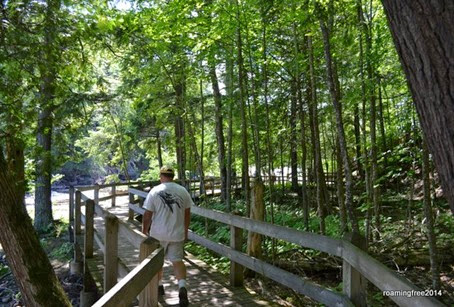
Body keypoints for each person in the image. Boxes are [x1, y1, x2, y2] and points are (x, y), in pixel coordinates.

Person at [142, 166, 192, 307]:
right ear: (173, 176)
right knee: (177, 261)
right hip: (177, 233)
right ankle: (182, 287)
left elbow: (147, 214)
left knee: (158, 262)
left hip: (158, 234)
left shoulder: (155, 191)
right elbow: (187, 214)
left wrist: (144, 231)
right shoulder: (183, 191)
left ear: (161, 176)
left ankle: (159, 286)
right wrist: (185, 230)